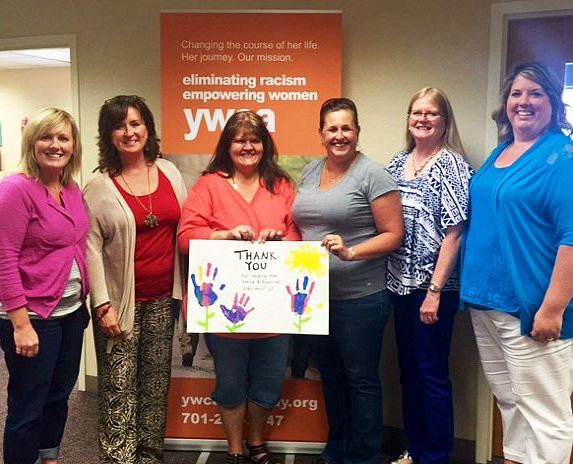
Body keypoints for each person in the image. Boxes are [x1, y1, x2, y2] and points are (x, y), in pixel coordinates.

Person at [460, 62, 573, 464]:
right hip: (487, 303)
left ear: (552, 103)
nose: (524, 102)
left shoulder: (563, 157)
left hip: (531, 306)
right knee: (510, 400)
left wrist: (553, 307)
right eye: (516, 94)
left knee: (546, 414)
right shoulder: (501, 151)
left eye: (535, 93)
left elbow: (572, 236)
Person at [177, 110, 301, 464]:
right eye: (239, 140)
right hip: (225, 314)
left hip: (275, 312)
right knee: (230, 385)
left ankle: (257, 443)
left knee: (267, 384)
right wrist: (224, 235)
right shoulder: (209, 185)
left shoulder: (281, 185)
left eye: (254, 139)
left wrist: (281, 239)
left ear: (265, 144)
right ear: (227, 145)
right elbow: (186, 238)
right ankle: (234, 449)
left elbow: (298, 235)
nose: (248, 147)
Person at [292, 98, 404, 464]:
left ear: (357, 132)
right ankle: (336, 450)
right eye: (332, 129)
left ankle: (363, 456)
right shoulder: (310, 172)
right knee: (332, 379)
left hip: (361, 298)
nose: (339, 135)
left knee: (361, 381)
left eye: (346, 128)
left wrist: (351, 252)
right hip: (316, 299)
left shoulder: (373, 174)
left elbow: (393, 234)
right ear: (321, 133)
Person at [83, 95, 187, 464]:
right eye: (120, 125)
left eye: (135, 123)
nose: (129, 132)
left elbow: (184, 229)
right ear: (108, 135)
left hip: (164, 298)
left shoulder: (170, 172)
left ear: (148, 128)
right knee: (118, 386)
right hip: (120, 304)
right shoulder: (98, 187)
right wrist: (102, 305)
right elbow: (90, 248)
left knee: (156, 384)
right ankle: (119, 458)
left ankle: (149, 454)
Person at [386, 88, 473, 464]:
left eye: (431, 113)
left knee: (431, 375)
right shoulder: (397, 162)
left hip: (433, 289)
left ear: (444, 121)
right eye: (416, 112)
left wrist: (435, 291)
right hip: (398, 287)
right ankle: (414, 449)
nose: (422, 119)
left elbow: (455, 232)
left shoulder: (451, 165)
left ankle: (436, 455)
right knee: (408, 372)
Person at [0, 108, 90, 464]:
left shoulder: (70, 187)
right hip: (33, 317)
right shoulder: (14, 190)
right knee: (28, 402)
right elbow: (3, 259)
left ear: (73, 146)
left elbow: (76, 244)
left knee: (58, 395)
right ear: (32, 142)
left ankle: (49, 457)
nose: (55, 145)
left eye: (63, 138)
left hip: (70, 313)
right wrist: (21, 325)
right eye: (46, 137)